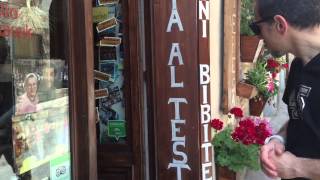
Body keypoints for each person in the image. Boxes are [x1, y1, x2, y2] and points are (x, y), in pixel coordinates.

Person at [251, 0, 320, 179]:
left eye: (257, 27)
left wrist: (299, 167)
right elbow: (299, 118)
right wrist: (279, 139)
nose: (258, 37)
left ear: (279, 24)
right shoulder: (298, 65)